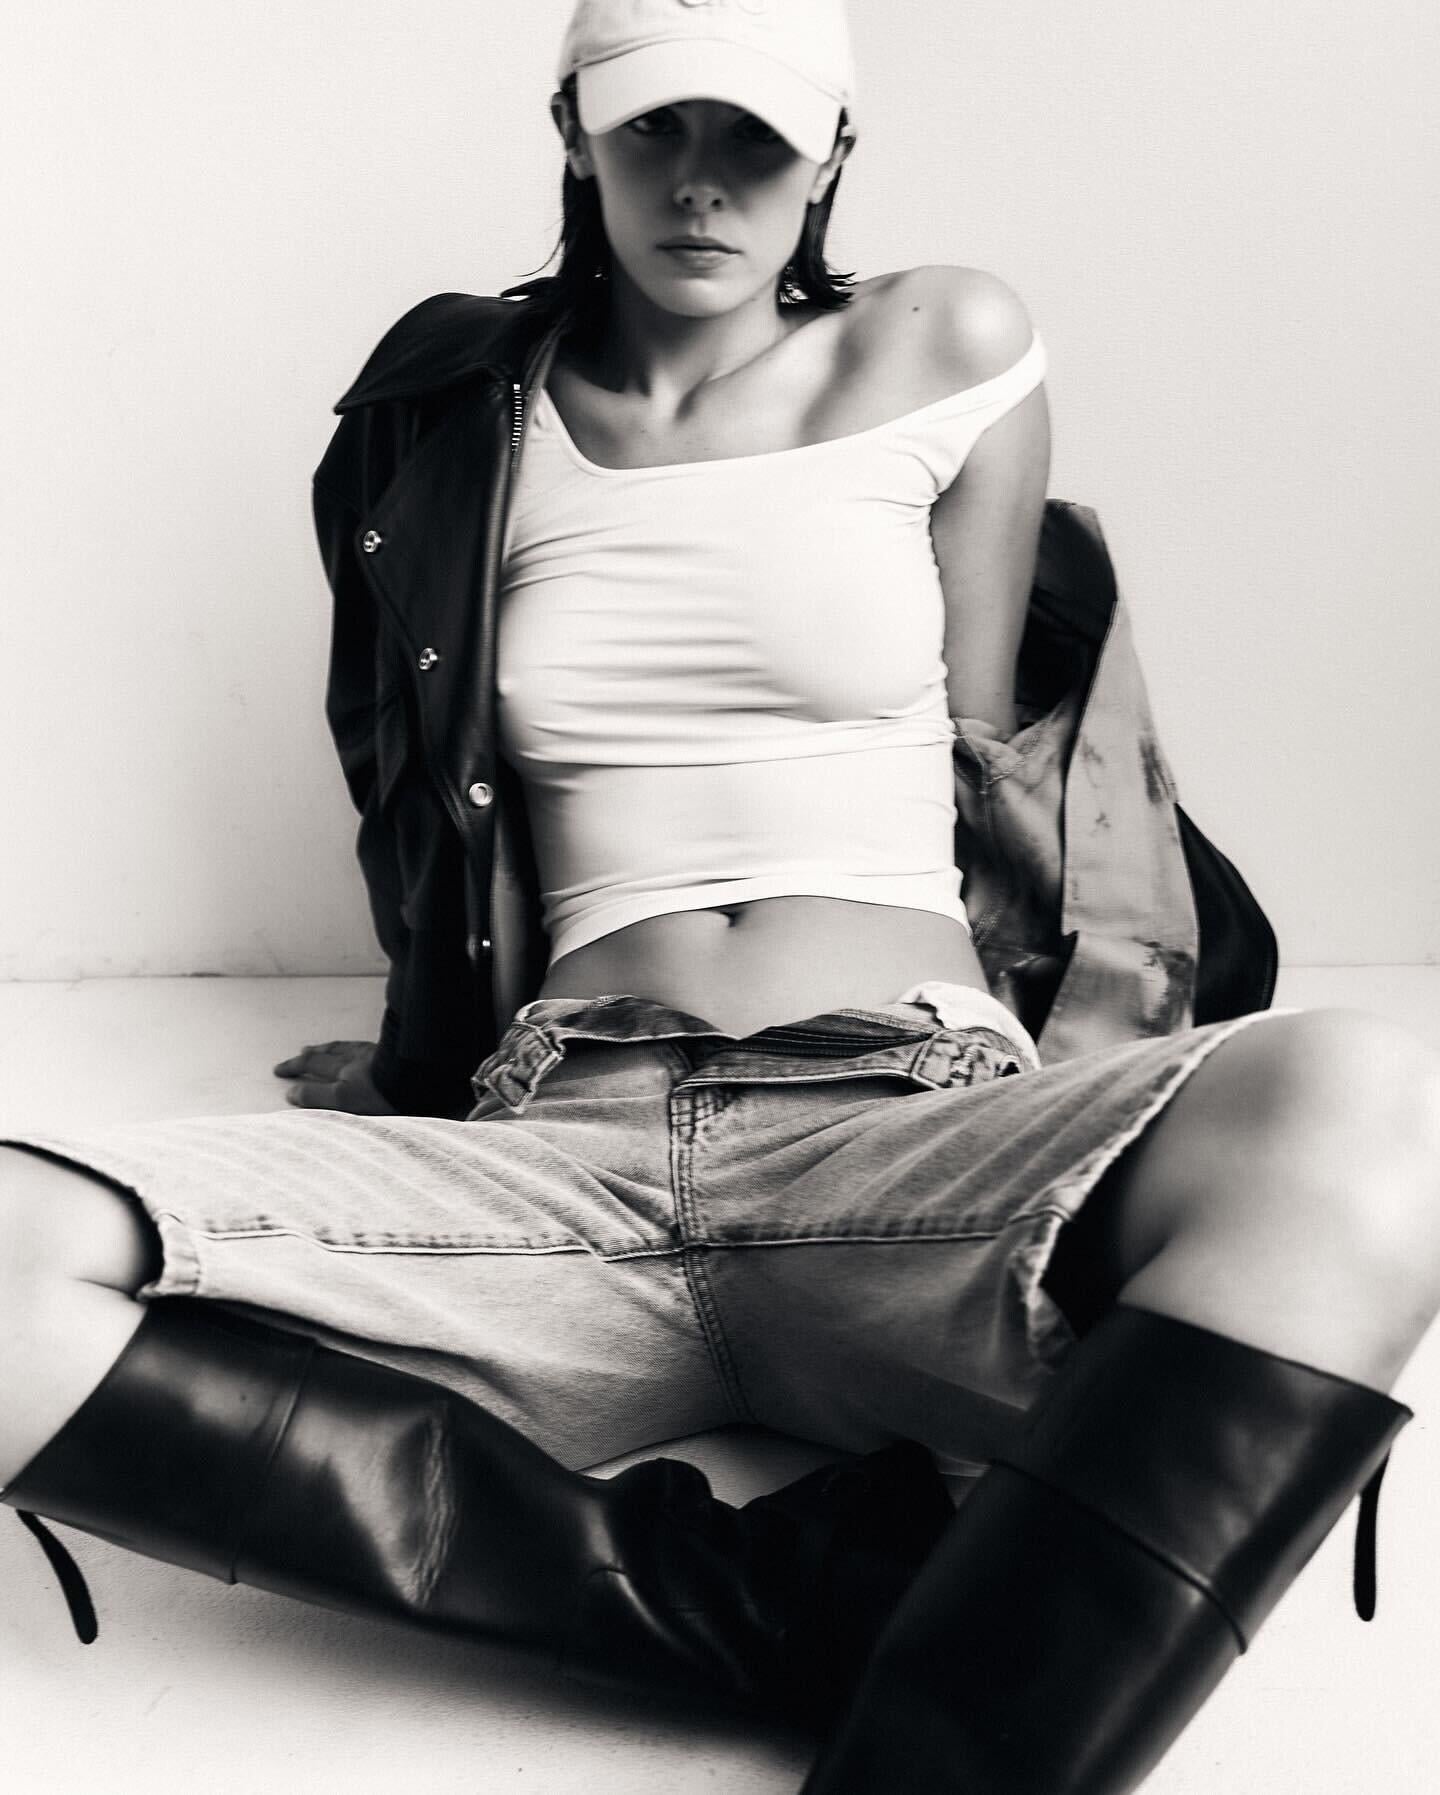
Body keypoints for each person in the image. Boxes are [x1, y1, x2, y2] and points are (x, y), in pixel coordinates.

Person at [3, 1, 1438, 1788]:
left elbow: (989, 760)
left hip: (902, 1126)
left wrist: (1100, 1081)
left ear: (832, 156)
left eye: (756, 139)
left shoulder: (943, 345)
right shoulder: (455, 414)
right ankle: (776, 1610)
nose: (702, 184)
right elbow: (433, 796)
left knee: (1369, 1094)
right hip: (564, 1153)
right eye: (655, 131)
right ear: (574, 134)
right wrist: (413, 1063)